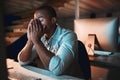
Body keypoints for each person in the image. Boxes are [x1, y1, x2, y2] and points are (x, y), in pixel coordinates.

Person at [17, 5, 83, 78]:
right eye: (36, 21)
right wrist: (30, 41)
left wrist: (36, 41)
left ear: (53, 20)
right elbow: (22, 61)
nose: (37, 24)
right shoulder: (41, 37)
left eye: (41, 20)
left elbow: (57, 69)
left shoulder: (68, 35)